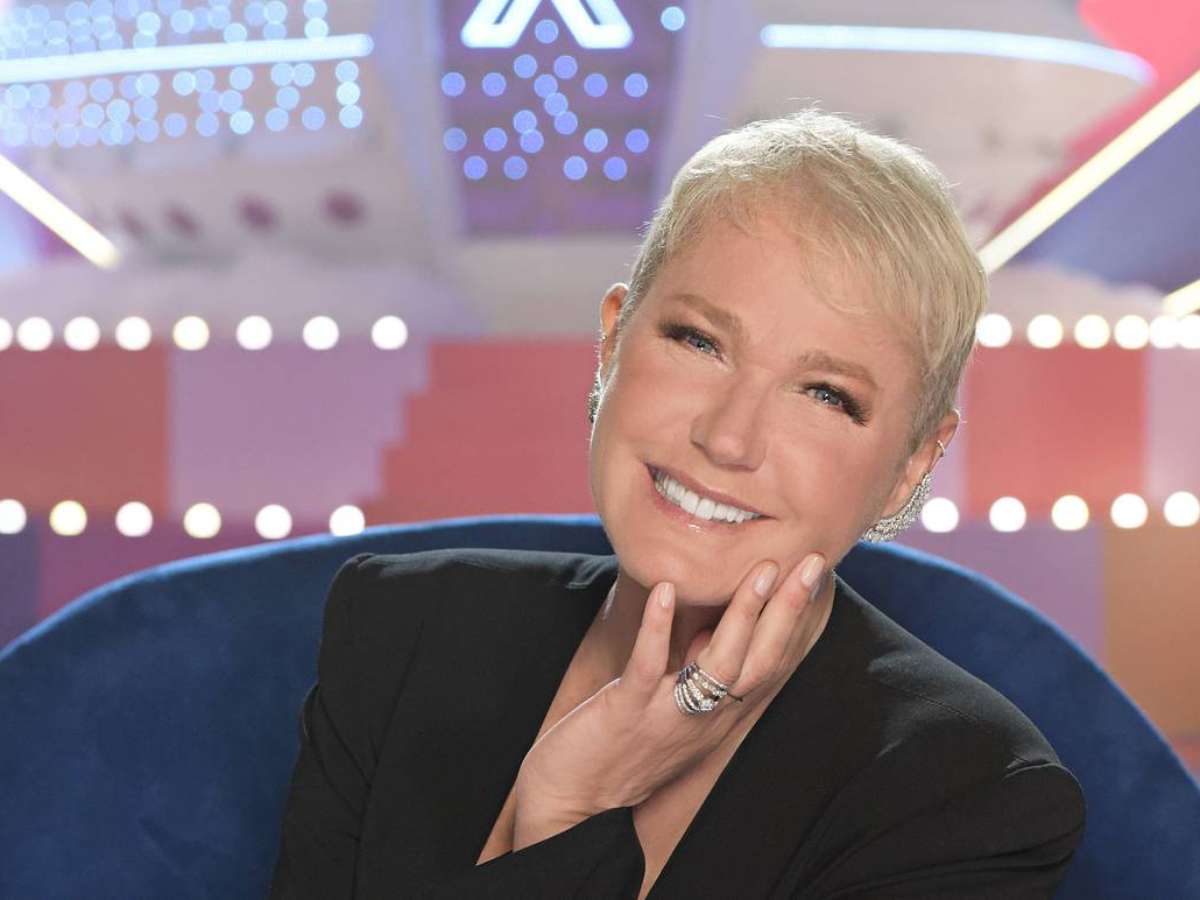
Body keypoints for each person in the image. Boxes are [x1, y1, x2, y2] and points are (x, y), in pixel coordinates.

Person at [269, 108, 1086, 898]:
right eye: (700, 341)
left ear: (912, 463)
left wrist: (567, 812)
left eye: (825, 394)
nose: (728, 438)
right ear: (613, 339)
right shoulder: (402, 628)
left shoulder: (968, 796)